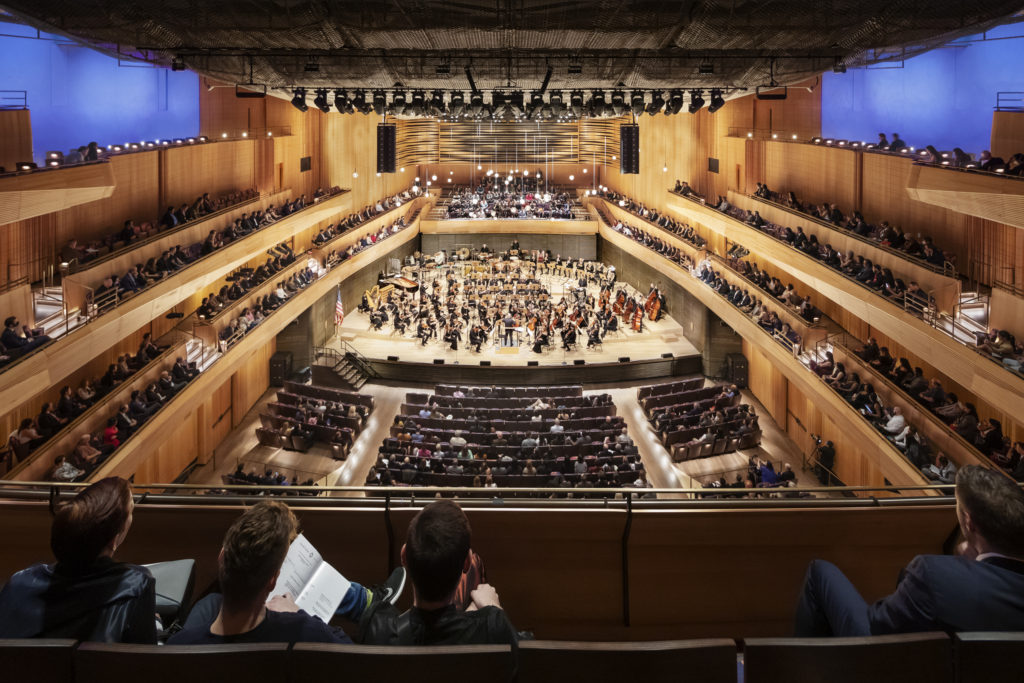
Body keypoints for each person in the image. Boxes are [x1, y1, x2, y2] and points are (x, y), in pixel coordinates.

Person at [794, 465, 1024, 636]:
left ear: (969, 522)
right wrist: (974, 567)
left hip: (886, 662)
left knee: (820, 572)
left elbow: (879, 626)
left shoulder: (935, 575)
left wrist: (960, 569)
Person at [169, 500, 404, 644]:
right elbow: (348, 654)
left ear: (222, 557)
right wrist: (299, 613)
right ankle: (366, 602)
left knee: (210, 600)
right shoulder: (303, 631)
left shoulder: (181, 645)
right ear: (272, 580)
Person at [0, 477, 156, 642]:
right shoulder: (136, 584)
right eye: (131, 510)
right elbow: (146, 662)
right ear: (113, 540)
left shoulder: (19, 584)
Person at [360, 500, 519, 646]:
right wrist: (494, 608)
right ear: (467, 563)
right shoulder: (493, 629)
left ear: (404, 556)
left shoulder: (374, 626)